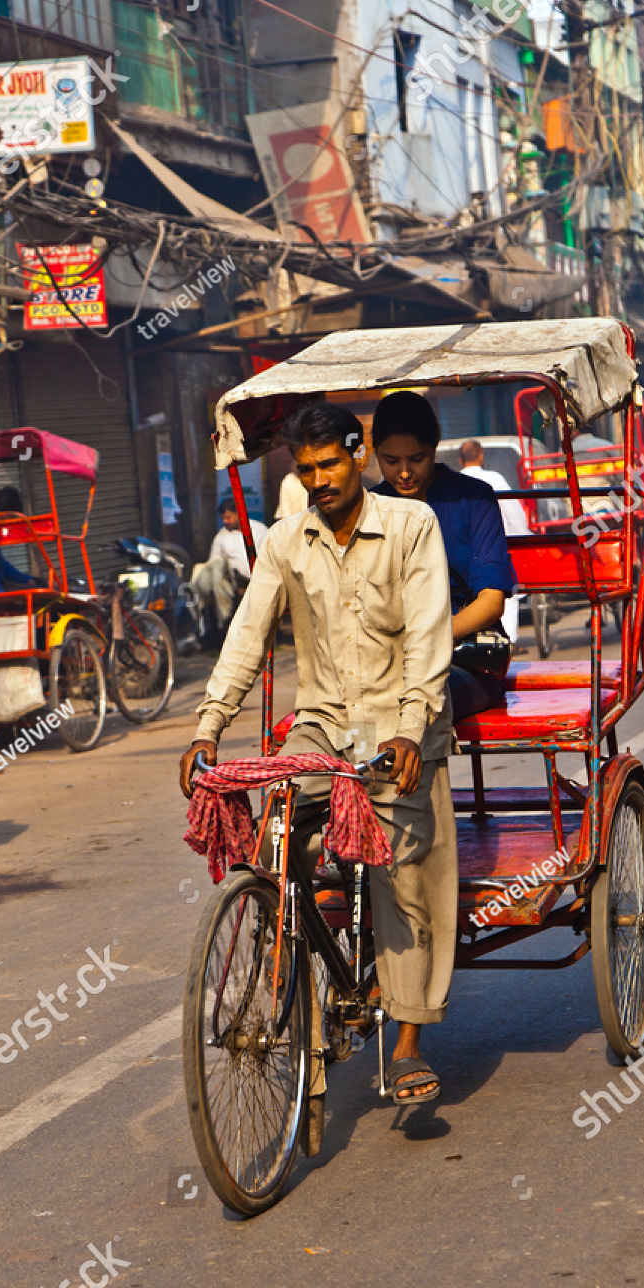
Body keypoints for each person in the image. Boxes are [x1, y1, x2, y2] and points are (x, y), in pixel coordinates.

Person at [180, 402, 456, 1105]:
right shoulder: (284, 540)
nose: (318, 480)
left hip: (402, 723)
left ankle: (406, 1041)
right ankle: (294, 961)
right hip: (323, 726)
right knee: (273, 830)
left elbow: (427, 635)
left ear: (356, 454)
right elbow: (247, 635)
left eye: (328, 464)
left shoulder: (410, 526)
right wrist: (208, 725)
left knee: (402, 870)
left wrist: (409, 725)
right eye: (304, 471)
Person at [371, 392, 516, 720]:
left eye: (417, 459)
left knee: (408, 706)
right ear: (375, 453)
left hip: (468, 659)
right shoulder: (369, 508)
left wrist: (430, 640)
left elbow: (492, 601)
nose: (405, 473)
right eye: (391, 461)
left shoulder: (473, 499)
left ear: (435, 447)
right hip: (387, 667)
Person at [458, 438, 527, 648]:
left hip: (464, 553)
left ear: (461, 460)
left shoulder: (454, 483)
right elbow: (513, 512)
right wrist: (522, 536)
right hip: (493, 547)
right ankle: (508, 642)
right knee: (504, 590)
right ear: (481, 456)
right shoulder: (493, 479)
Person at [190, 498, 268, 634]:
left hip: (259, 577)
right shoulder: (221, 537)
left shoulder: (259, 530)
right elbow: (214, 565)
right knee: (218, 569)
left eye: (228, 517)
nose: (225, 521)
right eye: (223, 519)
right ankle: (224, 623)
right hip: (232, 579)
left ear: (239, 513)